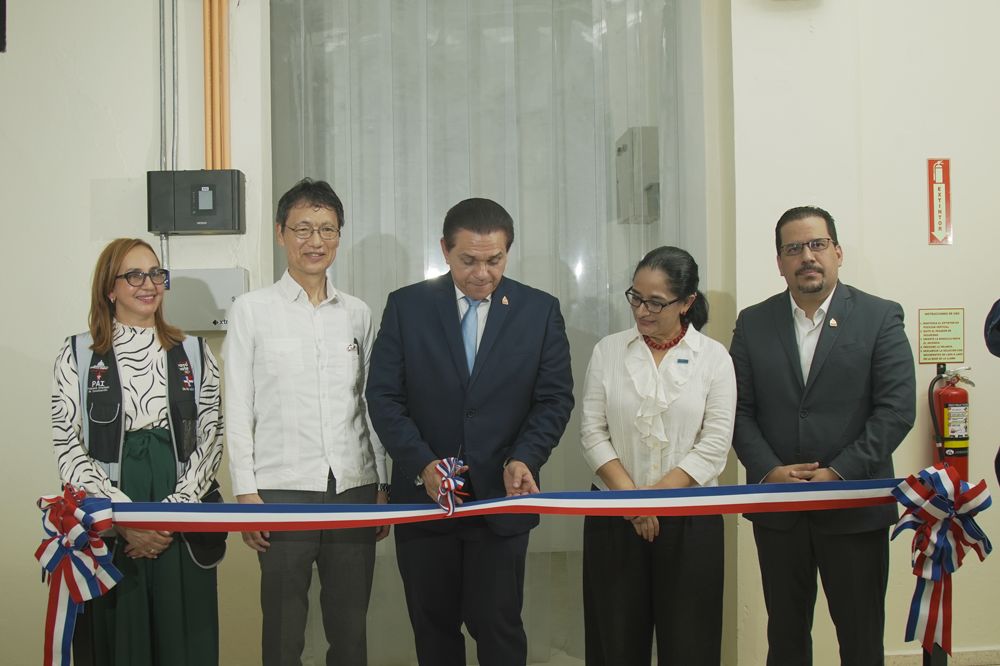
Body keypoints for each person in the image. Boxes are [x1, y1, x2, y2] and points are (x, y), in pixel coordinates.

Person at [366, 197, 574, 666]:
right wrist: (422, 463)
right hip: (425, 499)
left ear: (507, 252)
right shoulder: (407, 307)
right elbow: (383, 396)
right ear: (444, 249)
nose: (483, 273)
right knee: (433, 629)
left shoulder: (539, 312)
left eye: (494, 260)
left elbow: (554, 399)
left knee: (498, 628)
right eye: (469, 261)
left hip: (499, 497)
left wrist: (525, 457)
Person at [730, 205, 916, 665]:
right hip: (780, 510)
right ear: (779, 262)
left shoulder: (878, 316)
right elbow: (737, 409)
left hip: (854, 507)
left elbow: (896, 410)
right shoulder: (753, 323)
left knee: (860, 639)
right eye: (793, 248)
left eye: (816, 245)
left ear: (837, 251)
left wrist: (840, 471)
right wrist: (769, 469)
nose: (806, 256)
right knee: (787, 640)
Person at [224, 178, 389, 666]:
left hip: (353, 489)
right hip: (280, 491)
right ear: (280, 233)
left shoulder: (357, 314)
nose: (315, 241)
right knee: (282, 629)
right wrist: (246, 492)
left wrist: (380, 479)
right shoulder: (251, 311)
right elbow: (236, 405)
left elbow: (370, 403)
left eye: (327, 229)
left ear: (339, 236)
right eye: (303, 229)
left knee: (350, 627)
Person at [52, 238, 224, 665]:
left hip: (181, 515)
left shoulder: (195, 353)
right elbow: (66, 442)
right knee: (121, 640)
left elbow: (212, 435)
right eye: (134, 275)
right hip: (112, 514)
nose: (148, 284)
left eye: (156, 274)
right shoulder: (77, 356)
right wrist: (124, 518)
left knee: (183, 637)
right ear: (109, 288)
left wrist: (174, 511)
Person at [579, 246, 735, 665]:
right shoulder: (608, 351)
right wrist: (633, 500)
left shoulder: (715, 358)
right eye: (636, 297)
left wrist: (654, 500)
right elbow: (592, 433)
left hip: (690, 521)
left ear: (687, 303)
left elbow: (714, 445)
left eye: (656, 302)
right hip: (615, 514)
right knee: (616, 641)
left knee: (690, 643)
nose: (642, 311)